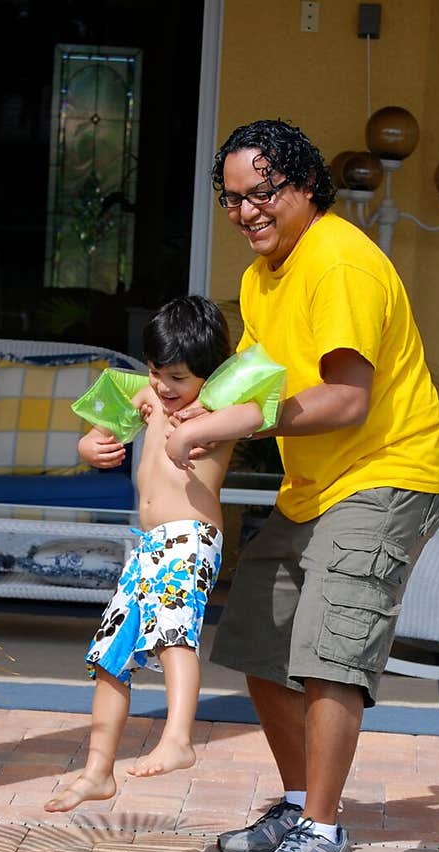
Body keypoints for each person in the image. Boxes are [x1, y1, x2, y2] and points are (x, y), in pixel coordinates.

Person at [170, 118, 439, 852]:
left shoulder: (340, 264)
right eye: (232, 199)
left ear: (304, 186)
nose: (247, 211)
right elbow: (255, 383)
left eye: (263, 192)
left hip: (387, 474)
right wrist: (174, 410)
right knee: (260, 642)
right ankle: (300, 806)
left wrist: (241, 421)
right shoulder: (264, 278)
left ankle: (324, 837)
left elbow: (345, 399)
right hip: (315, 487)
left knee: (331, 656)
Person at [44, 295, 267, 813]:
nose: (165, 388)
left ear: (209, 376)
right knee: (109, 657)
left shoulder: (221, 407)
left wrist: (194, 428)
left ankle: (179, 738)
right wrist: (90, 447)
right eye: (156, 373)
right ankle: (98, 771)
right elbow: (102, 427)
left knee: (173, 634)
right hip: (148, 546)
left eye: (178, 378)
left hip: (192, 537)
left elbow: (260, 411)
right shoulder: (148, 397)